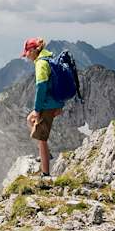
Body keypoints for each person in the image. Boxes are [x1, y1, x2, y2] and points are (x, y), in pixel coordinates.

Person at [22, 37, 65, 177]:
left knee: (42, 139)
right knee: (30, 120)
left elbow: (41, 88)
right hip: (54, 101)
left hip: (47, 104)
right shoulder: (47, 57)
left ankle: (45, 174)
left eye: (27, 52)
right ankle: (46, 154)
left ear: (33, 50)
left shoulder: (41, 64)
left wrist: (37, 110)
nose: (26, 55)